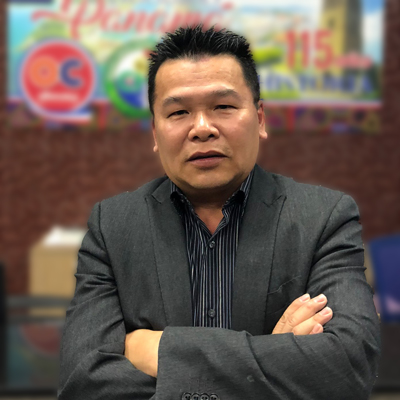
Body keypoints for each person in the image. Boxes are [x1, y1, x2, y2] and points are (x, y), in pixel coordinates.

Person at [58, 25, 380, 400]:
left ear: (260, 118)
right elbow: (83, 381)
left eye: (223, 107)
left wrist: (158, 350)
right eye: (178, 112)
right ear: (155, 133)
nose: (202, 129)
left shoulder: (324, 217)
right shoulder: (113, 227)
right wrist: (273, 355)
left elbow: (349, 366)